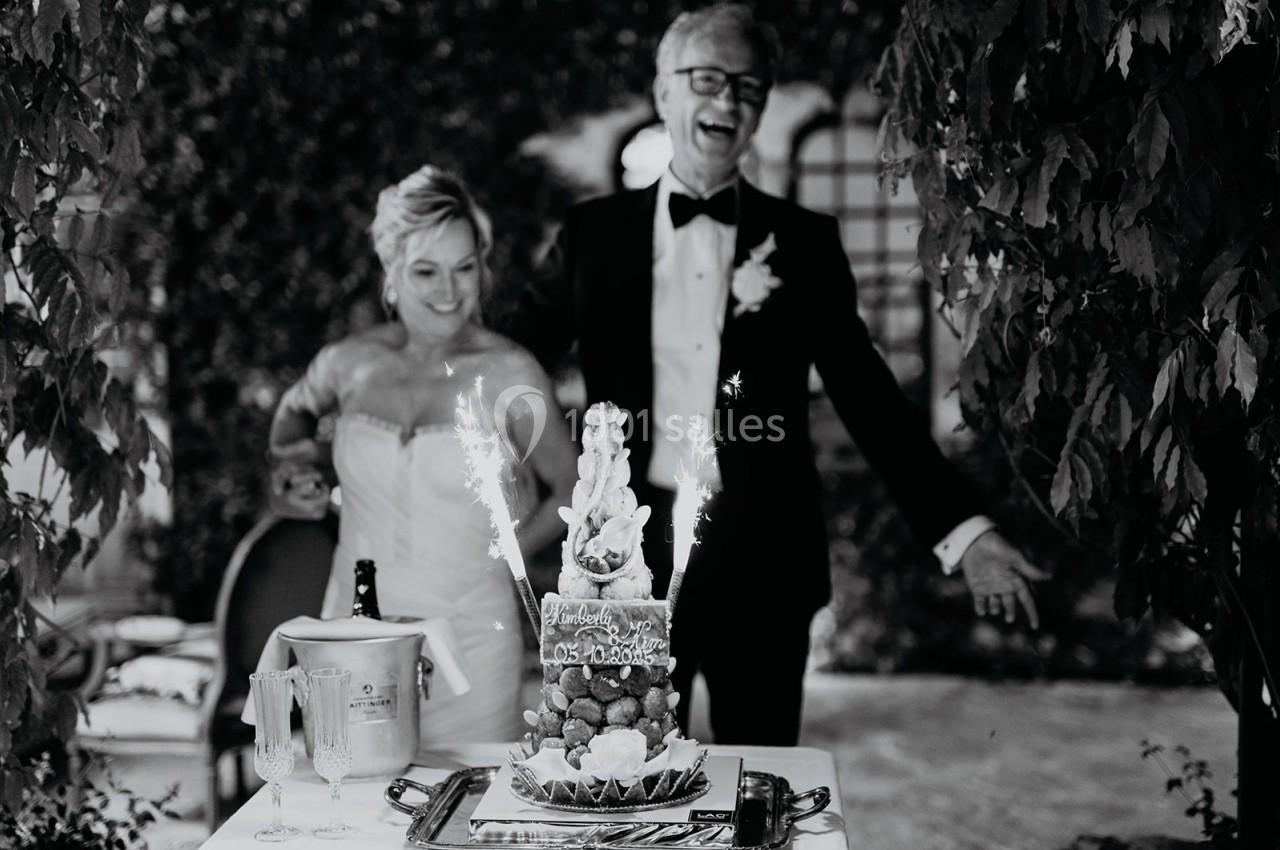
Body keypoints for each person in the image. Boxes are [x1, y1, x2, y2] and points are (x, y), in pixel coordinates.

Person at [502, 4, 1047, 745]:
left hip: (764, 560)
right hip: (620, 561)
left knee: (757, 790)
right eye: (707, 79)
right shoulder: (594, 238)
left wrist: (964, 533)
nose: (728, 100)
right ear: (665, 93)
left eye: (749, 86)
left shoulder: (804, 245)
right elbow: (505, 357)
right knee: (611, 775)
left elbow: (867, 395)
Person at [269, 165, 577, 744]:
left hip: (473, 638)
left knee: (467, 814)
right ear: (391, 273)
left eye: (465, 269)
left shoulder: (511, 372)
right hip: (352, 635)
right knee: (351, 807)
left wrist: (501, 557)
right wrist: (294, 473)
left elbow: (570, 490)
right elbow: (291, 420)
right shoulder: (348, 362)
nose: (449, 291)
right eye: (426, 271)